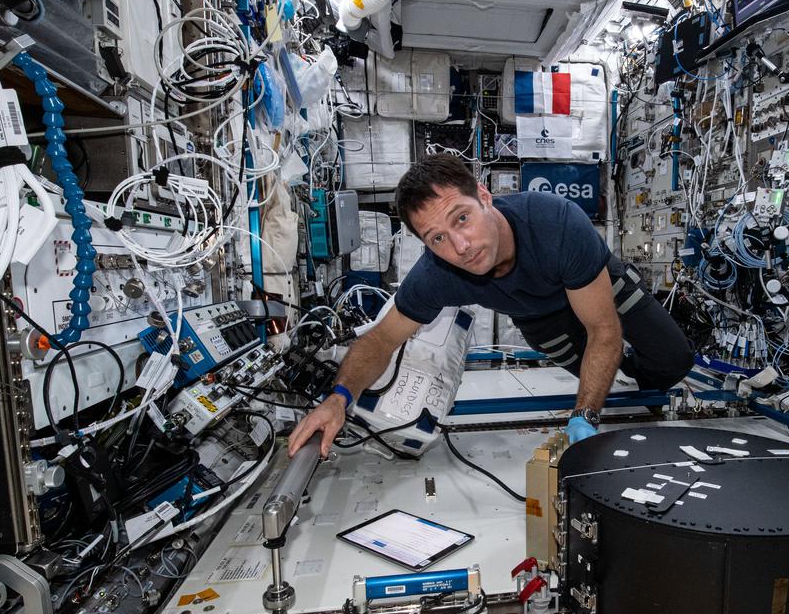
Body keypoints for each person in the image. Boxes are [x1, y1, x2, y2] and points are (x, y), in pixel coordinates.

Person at [287, 154, 694, 457]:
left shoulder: (556, 224)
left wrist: (585, 415)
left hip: (597, 284)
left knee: (672, 361)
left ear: (485, 197)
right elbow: (380, 341)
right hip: (539, 316)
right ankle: (623, 378)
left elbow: (602, 330)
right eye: (437, 238)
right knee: (614, 376)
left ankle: (633, 375)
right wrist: (337, 399)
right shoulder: (437, 274)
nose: (459, 247)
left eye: (461, 218)